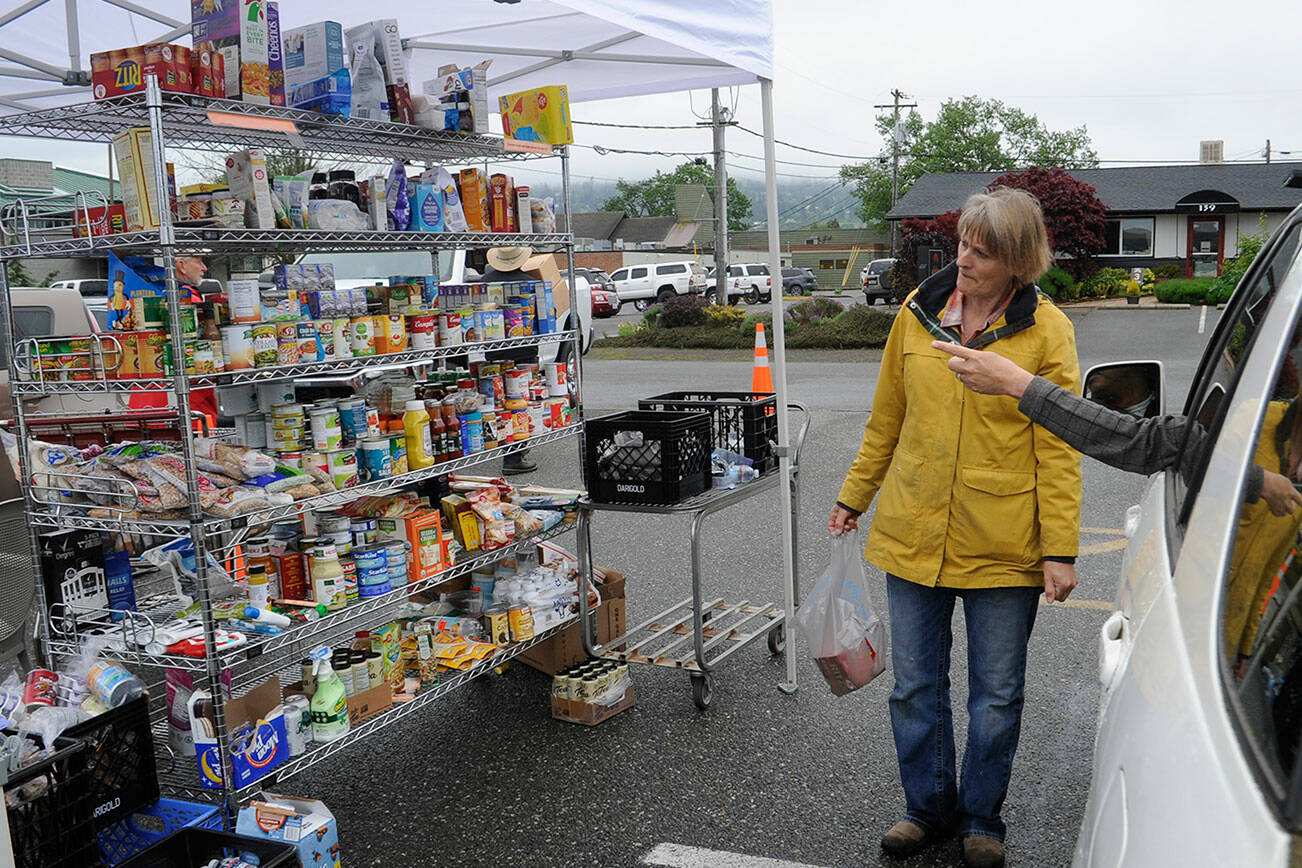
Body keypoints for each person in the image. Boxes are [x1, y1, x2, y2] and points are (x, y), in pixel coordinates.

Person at [828, 188, 1081, 868]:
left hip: (1005, 542)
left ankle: (980, 818)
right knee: (914, 686)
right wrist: (856, 496)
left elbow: (1058, 444)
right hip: (913, 530)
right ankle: (926, 808)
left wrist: (1059, 548)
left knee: (996, 696)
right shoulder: (916, 316)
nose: (964, 259)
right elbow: (887, 417)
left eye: (984, 251)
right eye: (964, 244)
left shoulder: (1047, 331)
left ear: (1018, 262)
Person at [932, 340, 1302, 517]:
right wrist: (1263, 482)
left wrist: (1019, 384)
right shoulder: (1264, 420)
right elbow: (1170, 441)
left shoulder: (1266, 421)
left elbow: (1167, 442)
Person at [127, 256, 216, 421]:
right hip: (188, 402)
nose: (204, 268)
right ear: (181, 265)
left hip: (144, 400)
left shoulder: (145, 296)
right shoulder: (189, 301)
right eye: (199, 262)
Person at [480, 246, 541, 475]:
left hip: (493, 352)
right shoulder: (529, 282)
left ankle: (504, 447)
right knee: (519, 403)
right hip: (523, 352)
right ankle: (515, 456)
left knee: (498, 403)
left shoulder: (484, 281)